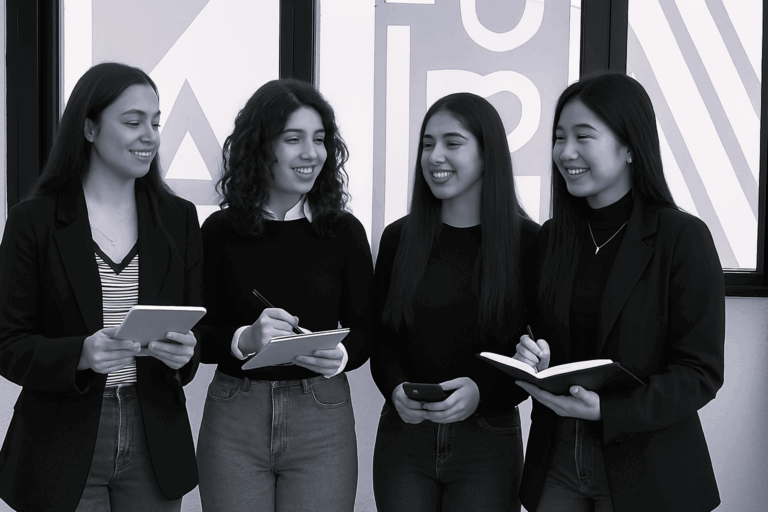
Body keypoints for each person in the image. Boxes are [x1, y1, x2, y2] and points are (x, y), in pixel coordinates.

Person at [514, 73, 724, 512]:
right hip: (556, 459)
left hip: (649, 467)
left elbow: (700, 371)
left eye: (583, 137)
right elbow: (535, 330)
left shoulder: (682, 237)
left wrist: (608, 412)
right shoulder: (552, 238)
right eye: (558, 138)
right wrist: (532, 354)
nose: (565, 152)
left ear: (630, 146)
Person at [0, 62, 203, 512]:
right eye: (133, 122)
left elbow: (193, 332)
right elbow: (7, 344)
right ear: (89, 128)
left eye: (155, 122)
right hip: (60, 442)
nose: (149, 135)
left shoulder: (179, 219)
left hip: (155, 438)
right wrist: (81, 355)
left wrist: (184, 355)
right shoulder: (33, 220)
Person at [196, 78, 374, 512]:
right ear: (261, 147)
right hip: (235, 415)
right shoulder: (219, 233)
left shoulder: (343, 231)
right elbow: (197, 334)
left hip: (321, 413)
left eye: (319, 139)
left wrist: (342, 355)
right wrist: (245, 339)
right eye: (293, 139)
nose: (311, 154)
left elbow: (368, 328)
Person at [370, 92, 539, 511]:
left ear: (488, 154)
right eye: (428, 144)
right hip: (404, 439)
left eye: (452, 142)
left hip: (488, 441)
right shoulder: (399, 238)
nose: (435, 156)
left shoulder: (530, 243)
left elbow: (535, 356)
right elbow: (382, 339)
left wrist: (484, 392)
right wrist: (395, 390)